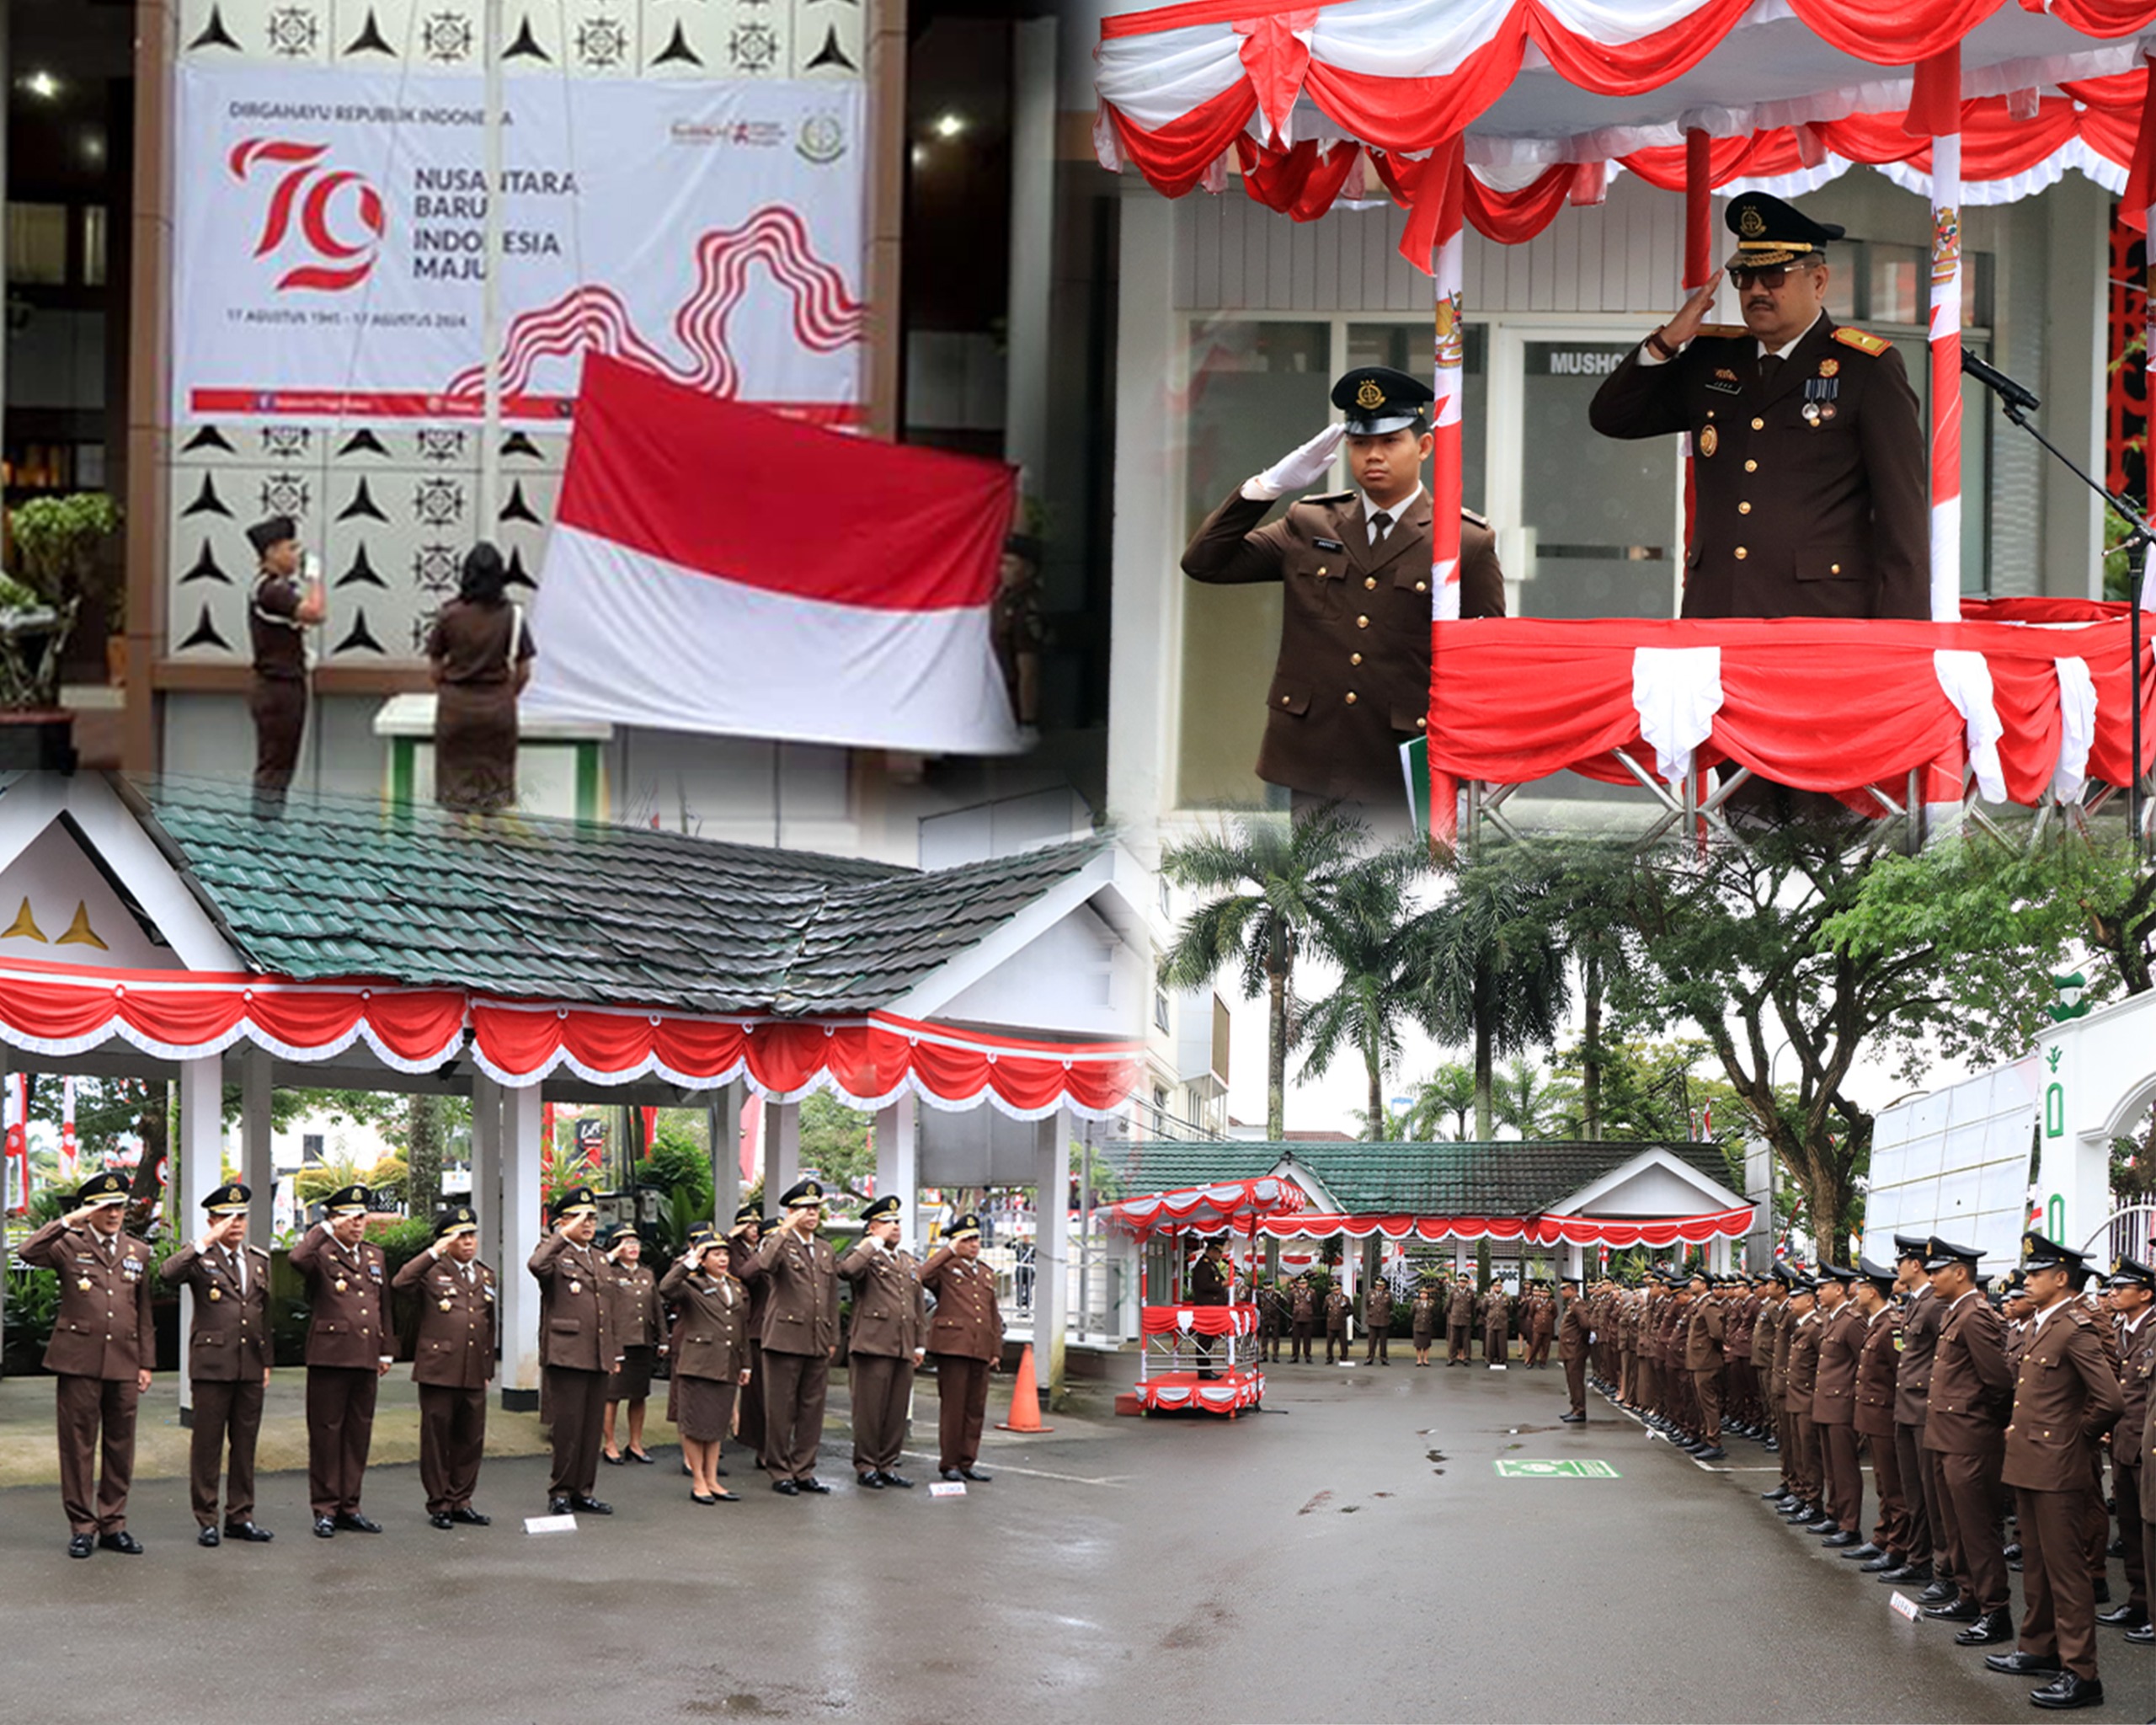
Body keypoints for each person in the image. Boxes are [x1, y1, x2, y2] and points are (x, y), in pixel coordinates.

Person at [1181, 365, 1505, 825]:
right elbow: (1203, 563)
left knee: (1409, 896)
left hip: (1405, 761)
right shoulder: (1309, 523)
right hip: (1314, 758)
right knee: (1314, 893)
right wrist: (1266, 487)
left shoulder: (1462, 541)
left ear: (1425, 446)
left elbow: (1487, 659)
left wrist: (1477, 760)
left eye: (1390, 441)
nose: (1374, 455)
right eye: (1360, 443)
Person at [1587, 191, 1926, 622]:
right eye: (1745, 278)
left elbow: (1903, 522)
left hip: (1819, 619)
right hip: (1716, 611)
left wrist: (1901, 644)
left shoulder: (1865, 369)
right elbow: (1614, 417)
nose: (1757, 291)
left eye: (1774, 276)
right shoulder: (1714, 360)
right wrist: (1666, 342)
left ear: (1819, 281)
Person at [1984, 1233, 2121, 1710]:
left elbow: (2110, 1400)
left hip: (2058, 1467)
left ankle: (2082, 1674)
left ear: (2061, 1278)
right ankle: (2038, 1648)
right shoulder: (2044, 1323)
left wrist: (2073, 1437)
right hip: (2030, 1463)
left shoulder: (2075, 1327)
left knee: (2068, 1572)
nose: (2026, 1280)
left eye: (2036, 1274)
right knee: (2038, 1564)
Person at [19, 1172, 155, 1557]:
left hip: (125, 1361)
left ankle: (113, 1523)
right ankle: (82, 1525)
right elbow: (27, 1251)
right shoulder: (68, 1245)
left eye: (119, 1206)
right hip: (78, 1360)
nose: (113, 1213)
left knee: (120, 1444)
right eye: (104, 1206)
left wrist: (146, 1362)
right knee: (78, 1446)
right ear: (89, 1210)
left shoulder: (138, 1251)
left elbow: (143, 1313)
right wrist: (68, 1221)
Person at [159, 1181, 274, 1546]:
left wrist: (267, 1360)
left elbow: (262, 1313)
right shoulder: (199, 1258)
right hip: (212, 1366)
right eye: (227, 1217)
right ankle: (207, 1518)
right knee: (207, 1445)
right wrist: (207, 1240)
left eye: (240, 1217)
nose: (235, 1224)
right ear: (212, 1220)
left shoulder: (258, 1260)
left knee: (245, 1444)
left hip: (250, 1365)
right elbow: (167, 1274)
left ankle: (241, 1515)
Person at [1919, 1236, 2016, 1647]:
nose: (1931, 1277)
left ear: (1960, 1273)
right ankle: (1968, 1594)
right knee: (1957, 1525)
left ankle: (1995, 1611)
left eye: (1938, 1271)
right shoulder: (1955, 1312)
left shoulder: (1976, 1315)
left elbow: (1998, 1380)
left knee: (1978, 1528)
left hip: (1970, 1438)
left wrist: (1985, 1425)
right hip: (1948, 1436)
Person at [290, 1183, 392, 1538]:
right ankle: (325, 1508)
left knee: (357, 1433)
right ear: (334, 1219)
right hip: (330, 1356)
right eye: (351, 1216)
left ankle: (351, 1506)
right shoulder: (320, 1251)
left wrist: (386, 1348)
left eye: (362, 1216)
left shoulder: (374, 1255)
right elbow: (296, 1259)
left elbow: (383, 1304)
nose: (359, 1222)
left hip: (365, 1354)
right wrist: (323, 1229)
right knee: (326, 1433)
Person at [390, 1202, 497, 1530]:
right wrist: (433, 1253)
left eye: (471, 1236)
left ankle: (462, 1499)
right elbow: (399, 1283)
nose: (468, 1242)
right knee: (437, 1439)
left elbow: (489, 1324)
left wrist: (489, 1368)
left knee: (470, 1438)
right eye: (460, 1236)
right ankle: (439, 1503)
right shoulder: (431, 1272)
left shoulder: (485, 1274)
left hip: (474, 1368)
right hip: (440, 1368)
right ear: (445, 1241)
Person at [424, 541, 536, 815]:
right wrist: (505, 695)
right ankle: (489, 854)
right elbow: (524, 671)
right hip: (498, 710)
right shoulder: (514, 616)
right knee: (494, 798)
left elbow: (435, 668)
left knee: (455, 799)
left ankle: (456, 852)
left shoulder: (449, 615)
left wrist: (450, 691)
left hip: (455, 710)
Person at [528, 1184, 620, 1517]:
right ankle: (561, 1491)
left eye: (592, 1218)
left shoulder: (598, 1257)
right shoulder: (553, 1252)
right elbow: (536, 1265)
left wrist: (614, 1352)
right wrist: (561, 1236)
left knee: (591, 1427)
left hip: (597, 1352)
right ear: (562, 1221)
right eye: (580, 1217)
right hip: (566, 1353)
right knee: (567, 1428)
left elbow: (609, 1308)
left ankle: (584, 1490)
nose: (588, 1223)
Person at [754, 1179, 841, 1495]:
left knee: (812, 1408)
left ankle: (804, 1469)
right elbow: (763, 1265)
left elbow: (830, 1296)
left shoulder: (824, 1249)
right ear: (790, 1212)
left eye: (816, 1208)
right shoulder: (779, 1243)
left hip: (816, 1338)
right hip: (784, 1338)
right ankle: (780, 1471)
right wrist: (783, 1230)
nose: (812, 1213)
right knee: (781, 1408)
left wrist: (832, 1335)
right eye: (805, 1208)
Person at [837, 1194, 926, 1490]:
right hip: (872, 1344)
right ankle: (866, 1465)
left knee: (896, 1410)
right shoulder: (866, 1255)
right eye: (888, 1222)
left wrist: (919, 1344)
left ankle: (887, 1463)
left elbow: (917, 1307)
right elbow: (847, 1271)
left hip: (902, 1344)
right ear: (873, 1227)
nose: (895, 1227)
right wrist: (873, 1242)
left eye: (898, 1221)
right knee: (869, 1410)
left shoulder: (907, 1261)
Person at [659, 1231, 753, 1504]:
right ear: (702, 1258)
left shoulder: (734, 1287)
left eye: (725, 1254)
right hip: (698, 1364)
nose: (723, 1259)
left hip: (727, 1363)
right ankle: (698, 1480)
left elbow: (741, 1330)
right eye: (715, 1254)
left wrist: (746, 1364)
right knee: (694, 1424)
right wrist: (689, 1262)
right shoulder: (692, 1285)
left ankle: (712, 1479)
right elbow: (666, 1287)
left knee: (716, 1426)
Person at [245, 514, 324, 810]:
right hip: (278, 689)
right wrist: (315, 579)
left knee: (281, 767)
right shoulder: (270, 590)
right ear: (271, 552)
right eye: (290, 548)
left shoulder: (278, 587)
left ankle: (268, 832)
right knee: (274, 769)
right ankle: (263, 839)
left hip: (285, 686)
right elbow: (316, 613)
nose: (296, 555)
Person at [921, 1212, 1003, 1484]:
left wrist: (995, 1350)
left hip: (980, 1346)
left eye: (976, 1239)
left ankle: (968, 1461)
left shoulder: (986, 1273)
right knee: (954, 1408)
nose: (974, 1244)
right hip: (953, 1346)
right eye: (967, 1240)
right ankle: (950, 1463)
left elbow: (993, 1313)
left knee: (975, 1408)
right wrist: (948, 1250)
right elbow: (921, 1275)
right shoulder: (945, 1268)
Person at [1886, 1232, 1945, 1589]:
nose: (1896, 1268)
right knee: (1913, 1489)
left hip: (1924, 1409)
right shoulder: (1915, 1303)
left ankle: (1936, 1566)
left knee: (1930, 1492)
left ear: (1915, 1265)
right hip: (1907, 1407)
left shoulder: (1935, 1305)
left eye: (1900, 1262)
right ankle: (1918, 1557)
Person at [1850, 1256, 1908, 1570]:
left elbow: (1901, 1374)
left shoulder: (1891, 1327)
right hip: (1873, 1415)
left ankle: (1898, 1545)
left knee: (1894, 1485)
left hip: (1886, 1415)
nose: (1855, 1292)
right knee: (1883, 1483)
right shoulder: (1877, 1324)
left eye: (1860, 1288)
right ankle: (1882, 1537)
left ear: (1872, 1292)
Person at [2110, 1256, 2156, 1638]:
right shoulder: (2119, 1329)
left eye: (2121, 1288)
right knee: (2130, 1529)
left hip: (2147, 1446)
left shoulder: (2152, 1330)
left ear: (2145, 1293)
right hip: (2124, 1442)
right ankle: (2140, 1601)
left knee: (2150, 1530)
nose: (2113, 1293)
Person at [600, 1222, 662, 1467]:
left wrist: (663, 1338)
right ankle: (610, 1443)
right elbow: (596, 1275)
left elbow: (656, 1307)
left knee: (639, 1395)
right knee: (612, 1395)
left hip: (642, 1340)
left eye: (635, 1242)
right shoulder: (609, 1272)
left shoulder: (647, 1274)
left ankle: (635, 1443)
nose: (632, 1247)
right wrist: (611, 1256)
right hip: (619, 1341)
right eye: (626, 1243)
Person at [1811, 1263, 1864, 1541]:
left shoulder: (1852, 1321)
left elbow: (1863, 1364)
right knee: (1831, 1466)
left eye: (1823, 1287)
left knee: (1845, 1468)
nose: (1818, 1292)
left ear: (1839, 1289)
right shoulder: (1831, 1318)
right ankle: (1834, 1514)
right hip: (1827, 1405)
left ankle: (1850, 1525)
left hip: (1842, 1405)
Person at [725, 1205, 771, 1469]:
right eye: (748, 1226)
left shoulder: (762, 1249)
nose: (754, 1230)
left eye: (756, 1225)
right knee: (750, 1389)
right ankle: (750, 1438)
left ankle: (767, 1446)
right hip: (746, 1321)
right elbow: (745, 1274)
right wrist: (733, 1235)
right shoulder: (734, 1250)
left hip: (765, 1323)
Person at [1686, 1269, 1729, 1461]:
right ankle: (1705, 1437)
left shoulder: (1710, 1306)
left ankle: (1714, 1442)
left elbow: (1717, 1334)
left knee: (1709, 1403)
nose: (1691, 1284)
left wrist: (1717, 1352)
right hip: (1699, 1360)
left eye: (1695, 1281)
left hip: (1706, 1360)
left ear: (1704, 1285)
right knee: (1701, 1402)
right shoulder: (1701, 1305)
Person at [1190, 1238, 1231, 1380]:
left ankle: (1206, 1368)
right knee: (1204, 1340)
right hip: (1206, 1307)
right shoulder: (1203, 1266)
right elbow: (1204, 1285)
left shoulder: (1211, 1266)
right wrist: (1223, 1284)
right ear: (1212, 1251)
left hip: (1213, 1308)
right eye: (1219, 1252)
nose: (1220, 1256)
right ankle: (1204, 1370)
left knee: (1208, 1340)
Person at [1559, 1276, 1593, 1423]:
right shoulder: (1572, 1303)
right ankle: (1575, 1408)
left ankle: (1580, 1411)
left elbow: (1585, 1325)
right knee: (1571, 1381)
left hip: (1575, 1348)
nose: (1561, 1292)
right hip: (1570, 1348)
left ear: (1571, 1289)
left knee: (1576, 1380)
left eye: (1563, 1289)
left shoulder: (1578, 1304)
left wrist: (1581, 1342)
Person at [1363, 1274, 1393, 1367]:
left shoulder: (1388, 1294)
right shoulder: (1369, 1293)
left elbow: (1390, 1306)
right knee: (1372, 1341)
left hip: (1383, 1319)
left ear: (1384, 1286)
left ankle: (1383, 1358)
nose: (1379, 1287)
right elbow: (1367, 1306)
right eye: (1377, 1285)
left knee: (1383, 1341)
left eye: (1381, 1285)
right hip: (1373, 1319)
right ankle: (1370, 1358)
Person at [1446, 1274, 1476, 1366]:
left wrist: (1470, 1315)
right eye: (1461, 1281)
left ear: (1467, 1283)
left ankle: (1466, 1358)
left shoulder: (1471, 1293)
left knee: (1466, 1340)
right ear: (1458, 1282)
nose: (1462, 1283)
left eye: (1464, 1282)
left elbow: (1473, 1306)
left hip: (1466, 1318)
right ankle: (1451, 1357)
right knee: (1453, 1339)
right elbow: (1448, 1306)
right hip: (1455, 1319)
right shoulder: (1453, 1292)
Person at [1481, 1281, 1511, 1367]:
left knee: (1502, 1342)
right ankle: (1489, 1359)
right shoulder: (1488, 1298)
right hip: (1491, 1322)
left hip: (1502, 1323)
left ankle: (1502, 1359)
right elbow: (1484, 1309)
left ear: (1502, 1288)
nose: (1498, 1288)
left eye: (1499, 1286)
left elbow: (1510, 1310)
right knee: (1490, 1342)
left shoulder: (1506, 1298)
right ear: (1493, 1288)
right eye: (1496, 1286)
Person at [1324, 1279, 1352, 1365]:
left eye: (1338, 1289)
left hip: (1341, 1323)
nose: (1336, 1291)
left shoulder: (1345, 1298)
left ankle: (1344, 1356)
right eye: (1334, 1289)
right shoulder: (1328, 1298)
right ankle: (1329, 1357)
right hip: (1331, 1323)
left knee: (1343, 1342)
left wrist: (1343, 1315)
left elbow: (1351, 1310)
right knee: (1329, 1343)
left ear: (1341, 1289)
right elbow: (1324, 1310)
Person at [1289, 1275, 1315, 1365]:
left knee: (1307, 1339)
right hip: (1297, 1318)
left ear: (1307, 1284)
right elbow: (1290, 1304)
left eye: (1304, 1283)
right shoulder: (1293, 1292)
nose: (1302, 1285)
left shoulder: (1311, 1292)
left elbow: (1315, 1304)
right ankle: (1295, 1356)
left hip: (1307, 1318)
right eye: (1301, 1283)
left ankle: (1308, 1356)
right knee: (1295, 1339)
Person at [1411, 1281, 1438, 1368]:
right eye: (1421, 1293)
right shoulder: (1416, 1303)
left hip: (1427, 1325)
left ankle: (1425, 1359)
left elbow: (1435, 1313)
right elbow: (1412, 1313)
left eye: (1425, 1294)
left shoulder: (1431, 1303)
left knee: (1426, 1344)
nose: (1423, 1295)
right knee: (1418, 1344)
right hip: (1418, 1324)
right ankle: (1419, 1359)